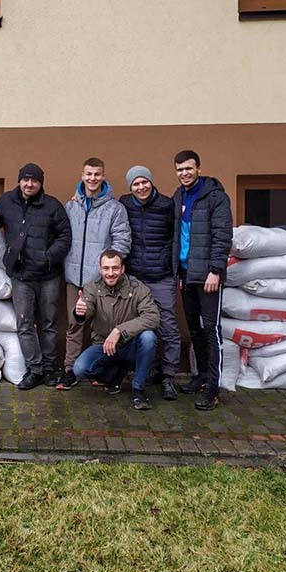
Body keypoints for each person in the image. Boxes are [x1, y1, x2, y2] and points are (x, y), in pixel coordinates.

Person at [0, 162, 72, 390]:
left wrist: (47, 257)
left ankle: (51, 370)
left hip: (48, 276)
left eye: (34, 180)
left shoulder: (52, 206)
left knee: (50, 323)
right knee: (25, 324)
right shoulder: (7, 201)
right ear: (20, 180)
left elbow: (65, 236)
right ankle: (35, 370)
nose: (29, 184)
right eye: (26, 179)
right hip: (20, 275)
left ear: (41, 183)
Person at [57, 157, 130, 391]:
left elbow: (122, 240)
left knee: (104, 328)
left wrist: (109, 269)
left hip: (101, 280)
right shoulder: (70, 207)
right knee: (74, 324)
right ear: (82, 175)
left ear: (103, 175)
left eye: (97, 174)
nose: (92, 178)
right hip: (73, 277)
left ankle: (103, 371)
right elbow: (62, 237)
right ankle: (70, 371)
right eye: (89, 174)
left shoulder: (115, 208)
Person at [172, 149, 233, 411]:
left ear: (198, 168)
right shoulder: (178, 196)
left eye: (188, 168)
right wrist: (177, 271)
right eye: (179, 169)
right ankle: (201, 376)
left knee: (211, 330)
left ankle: (213, 387)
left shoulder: (215, 197)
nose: (184, 173)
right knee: (194, 329)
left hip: (208, 275)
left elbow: (222, 235)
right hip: (186, 275)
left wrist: (216, 270)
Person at [119, 165, 181, 401]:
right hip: (135, 277)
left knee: (168, 326)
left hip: (162, 276)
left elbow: (177, 236)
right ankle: (148, 370)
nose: (141, 187)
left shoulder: (167, 205)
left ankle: (169, 375)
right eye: (136, 183)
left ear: (151, 182)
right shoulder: (124, 204)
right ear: (130, 187)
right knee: (139, 326)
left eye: (144, 182)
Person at [71, 250, 160, 409]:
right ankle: (115, 375)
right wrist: (80, 312)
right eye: (106, 268)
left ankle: (138, 389)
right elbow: (86, 310)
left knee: (148, 337)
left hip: (130, 346)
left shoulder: (138, 288)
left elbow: (153, 317)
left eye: (115, 268)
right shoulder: (92, 288)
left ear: (123, 269)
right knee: (80, 368)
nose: (110, 273)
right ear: (100, 269)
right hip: (104, 346)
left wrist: (119, 330)